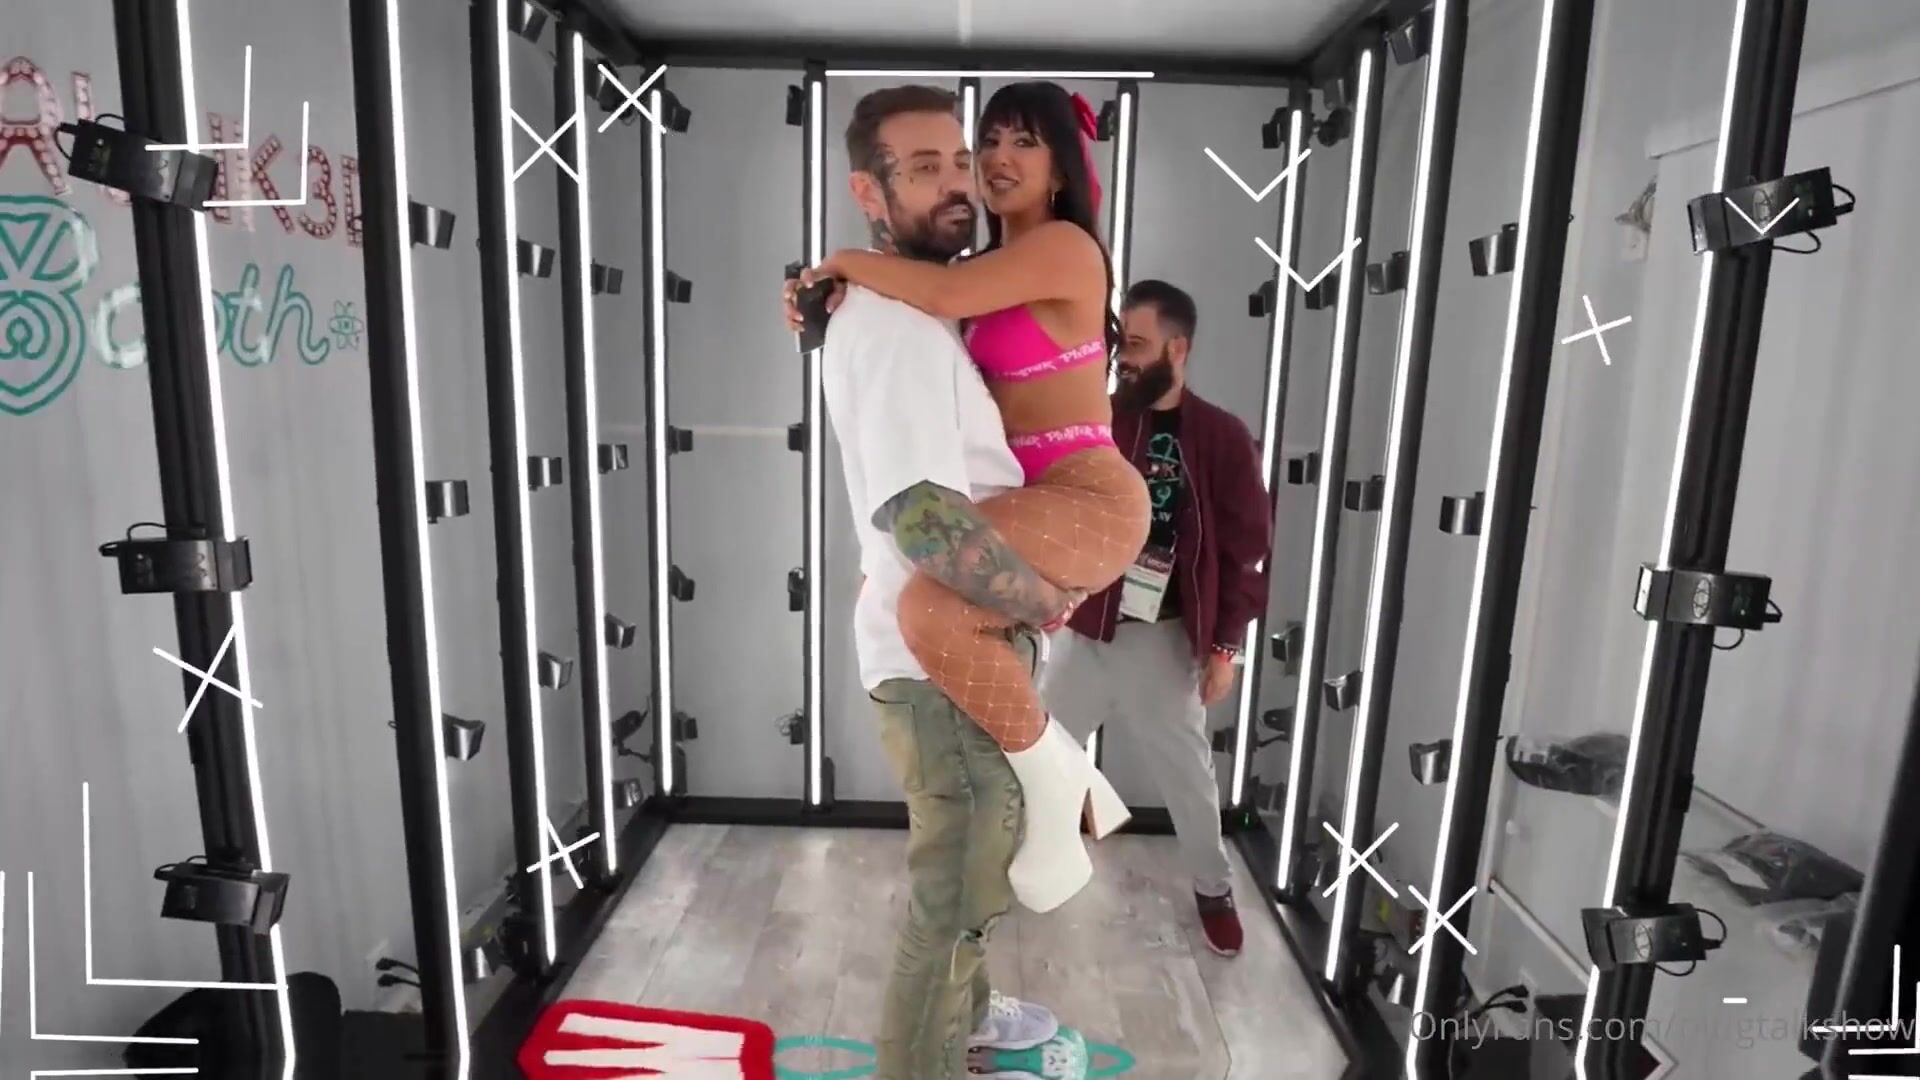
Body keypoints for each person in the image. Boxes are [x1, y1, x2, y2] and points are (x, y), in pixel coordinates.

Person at [791, 80, 1143, 914]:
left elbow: (939, 297)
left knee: (929, 608)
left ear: (1062, 166)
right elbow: (926, 303)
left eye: (1023, 142)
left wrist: (836, 264)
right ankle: (1064, 774)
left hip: (1089, 493)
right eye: (987, 143)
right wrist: (821, 309)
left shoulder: (1065, 248)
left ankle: (1057, 788)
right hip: (1036, 500)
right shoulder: (976, 270)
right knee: (931, 605)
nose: (994, 160)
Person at [813, 84, 1086, 1079]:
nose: (958, 184)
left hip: (946, 645)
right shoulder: (892, 326)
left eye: (961, 162)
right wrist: (1043, 602)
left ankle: (966, 1020)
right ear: (869, 193)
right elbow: (921, 516)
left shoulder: (916, 309)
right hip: (939, 660)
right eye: (924, 168)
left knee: (972, 865)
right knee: (957, 894)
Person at [1041, 281, 1272, 958]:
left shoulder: (1222, 437)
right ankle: (1012, 866)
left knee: (1189, 778)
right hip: (1085, 629)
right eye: (1121, 343)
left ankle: (1213, 889)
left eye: (1138, 344)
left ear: (1178, 348)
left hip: (1165, 640)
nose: (1125, 358)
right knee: (1036, 757)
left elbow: (1247, 551)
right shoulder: (1099, 422)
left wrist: (1226, 647)